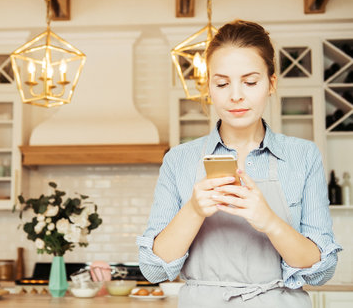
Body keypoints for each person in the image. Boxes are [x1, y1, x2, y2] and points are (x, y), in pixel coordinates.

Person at [137, 19, 342, 308]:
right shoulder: (179, 160)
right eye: (222, 83)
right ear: (209, 87)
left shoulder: (304, 156)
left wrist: (269, 221)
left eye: (250, 82)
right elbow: (154, 269)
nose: (236, 95)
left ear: (271, 83)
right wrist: (194, 210)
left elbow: (322, 271)